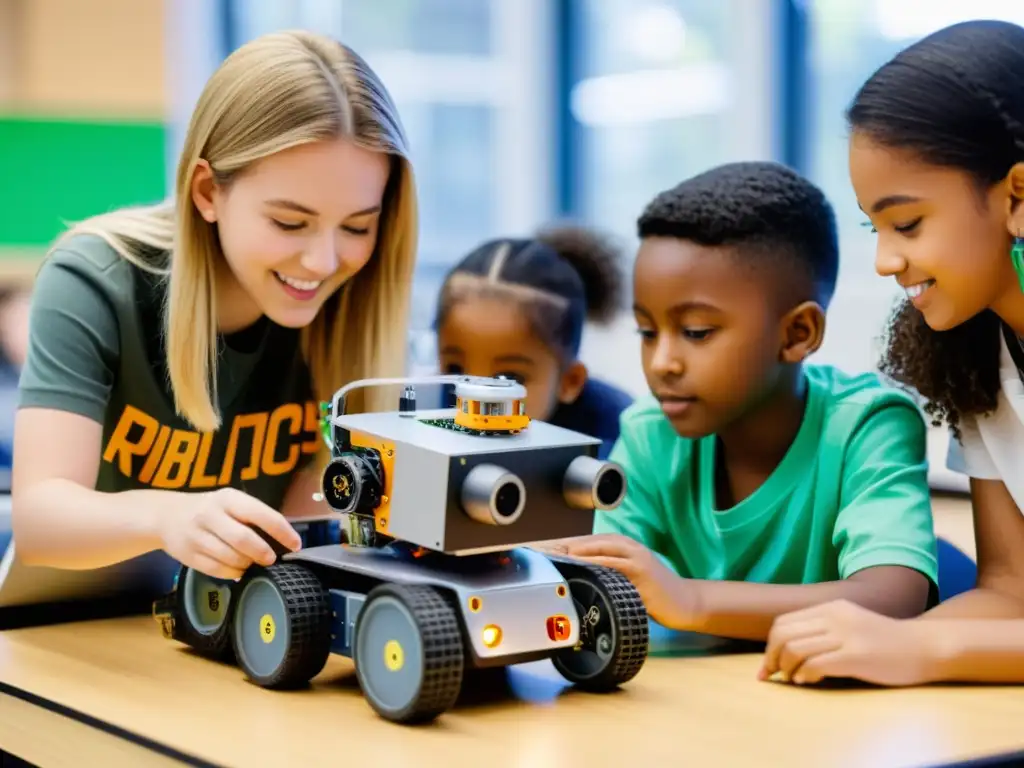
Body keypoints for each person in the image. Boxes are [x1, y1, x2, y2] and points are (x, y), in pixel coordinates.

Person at [12, 31, 418, 581]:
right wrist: (166, 514)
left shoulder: (356, 307)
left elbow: (307, 540)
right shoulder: (94, 280)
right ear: (208, 191)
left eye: (357, 226)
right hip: (86, 629)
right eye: (289, 222)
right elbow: (40, 521)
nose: (323, 262)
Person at [543, 161, 939, 642]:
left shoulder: (868, 425)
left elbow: (892, 596)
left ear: (798, 333)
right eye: (648, 332)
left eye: (696, 332)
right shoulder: (651, 430)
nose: (662, 361)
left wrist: (692, 600)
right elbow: (595, 581)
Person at [760, 19, 1024, 686]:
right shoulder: (978, 354)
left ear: (1017, 194)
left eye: (906, 224)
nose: (884, 261)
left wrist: (924, 651)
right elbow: (1011, 590)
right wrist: (864, 644)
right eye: (874, 226)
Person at [434, 226, 633, 458]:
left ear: (570, 381)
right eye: (455, 370)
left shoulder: (621, 444)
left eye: (508, 379)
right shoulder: (422, 412)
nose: (474, 399)